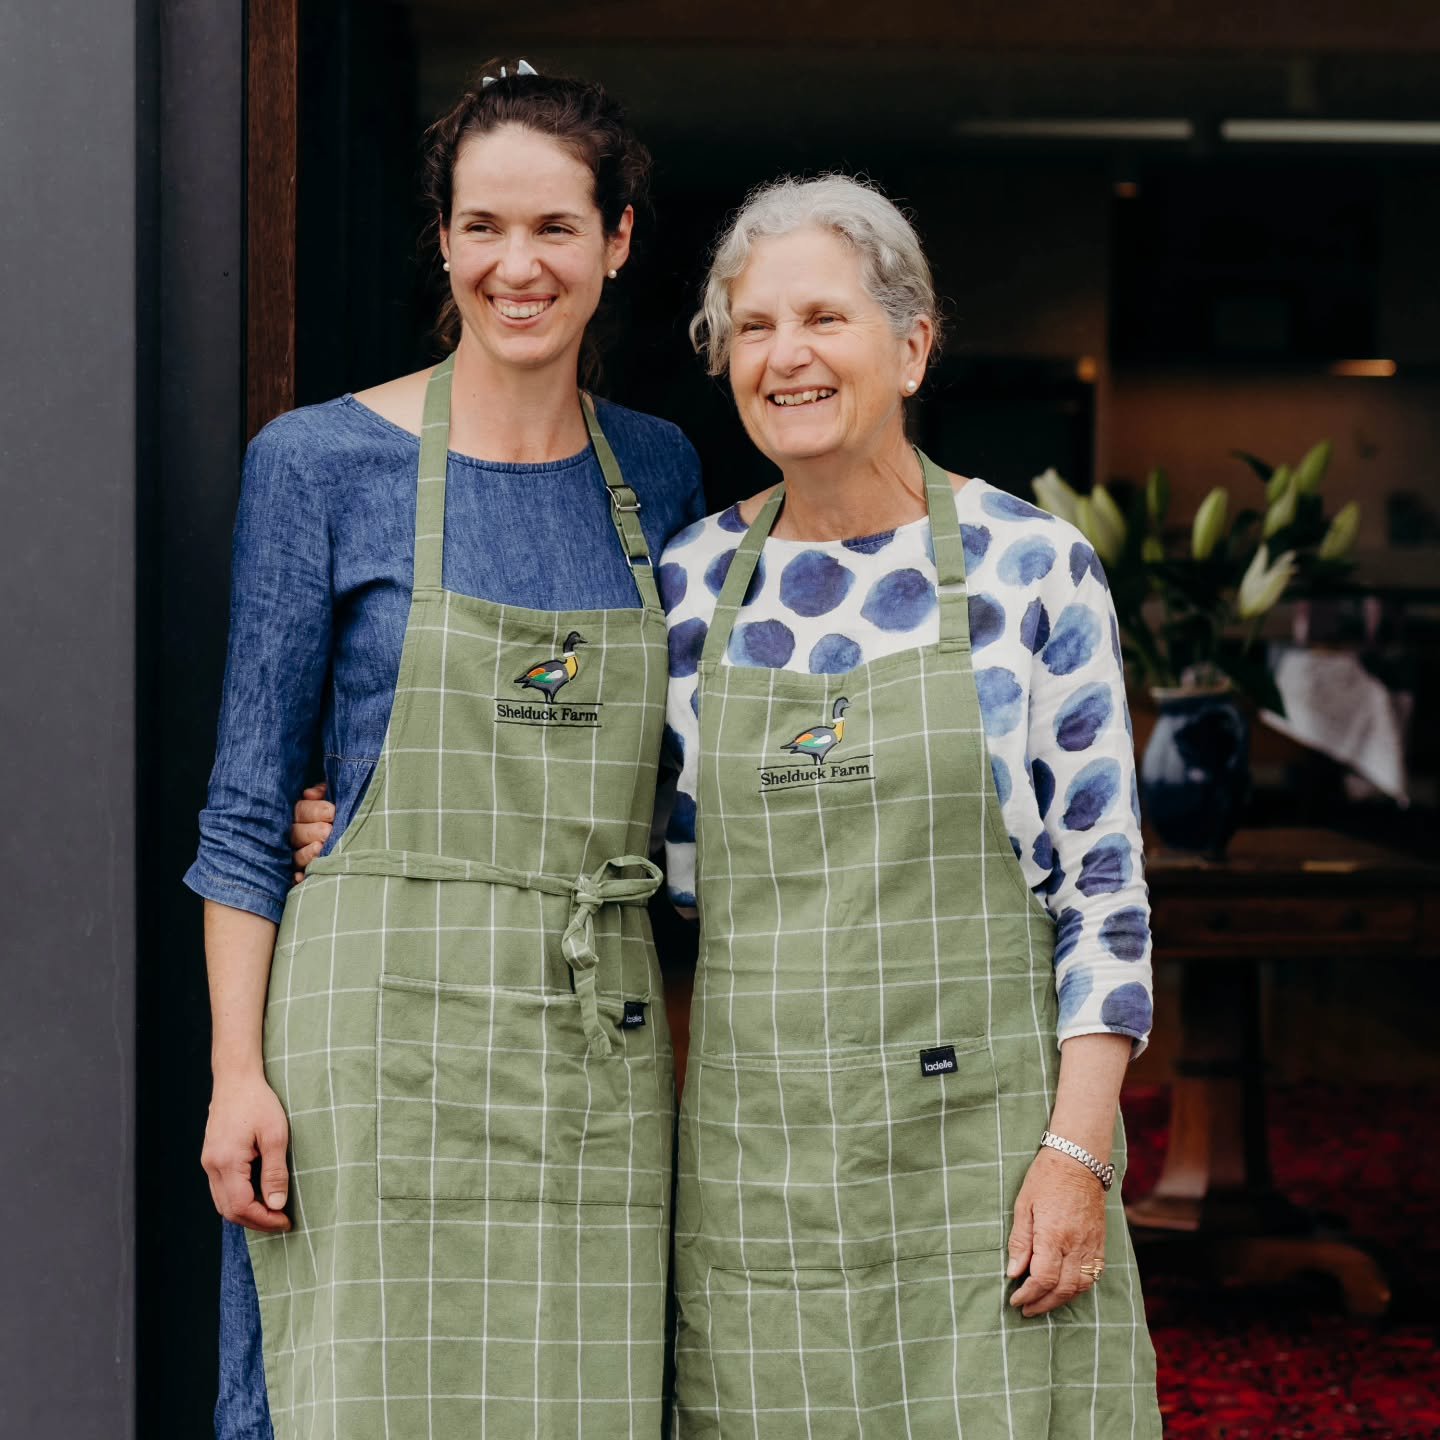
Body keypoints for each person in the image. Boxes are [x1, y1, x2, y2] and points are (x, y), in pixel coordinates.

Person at [185, 63, 704, 1440]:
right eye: (484, 227)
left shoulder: (660, 472)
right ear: (444, 238)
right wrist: (238, 1076)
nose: (515, 267)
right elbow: (247, 812)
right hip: (371, 1050)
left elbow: (681, 781)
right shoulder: (316, 464)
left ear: (618, 240)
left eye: (553, 228)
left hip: (593, 1046)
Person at [659, 175, 1163, 1436]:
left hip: (986, 1158)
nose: (786, 356)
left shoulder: (1032, 567)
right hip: (758, 1172)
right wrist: (347, 817)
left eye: (823, 317)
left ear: (914, 346)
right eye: (755, 327)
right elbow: (623, 868)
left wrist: (1076, 1155)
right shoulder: (687, 584)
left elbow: (1103, 896)